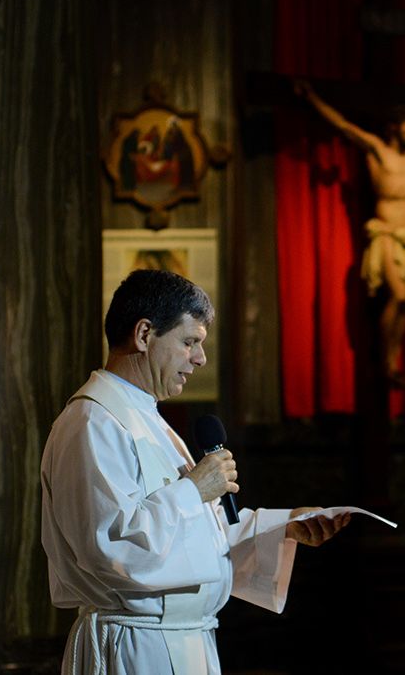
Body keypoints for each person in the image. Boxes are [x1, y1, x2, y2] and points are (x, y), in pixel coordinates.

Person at [41, 269, 350, 675]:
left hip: (185, 638)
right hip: (136, 646)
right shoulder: (93, 421)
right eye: (189, 342)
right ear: (144, 334)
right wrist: (193, 489)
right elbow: (110, 547)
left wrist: (284, 526)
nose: (200, 358)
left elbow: (187, 537)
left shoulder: (146, 418)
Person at [294, 79, 405, 385]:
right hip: (387, 231)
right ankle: (382, 358)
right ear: (393, 127)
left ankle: (392, 360)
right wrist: (312, 98)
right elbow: (344, 125)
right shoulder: (377, 149)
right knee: (398, 293)